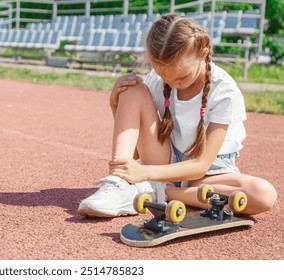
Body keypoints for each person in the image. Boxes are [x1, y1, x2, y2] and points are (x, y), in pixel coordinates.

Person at [78, 14, 277, 218]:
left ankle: (159, 192)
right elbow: (136, 155)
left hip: (208, 173)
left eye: (181, 77)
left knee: (262, 195)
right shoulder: (158, 79)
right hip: (165, 160)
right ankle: (119, 182)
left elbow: (200, 165)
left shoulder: (224, 91)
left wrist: (145, 174)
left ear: (203, 53)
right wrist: (115, 105)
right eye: (165, 76)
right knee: (130, 88)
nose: (172, 84)